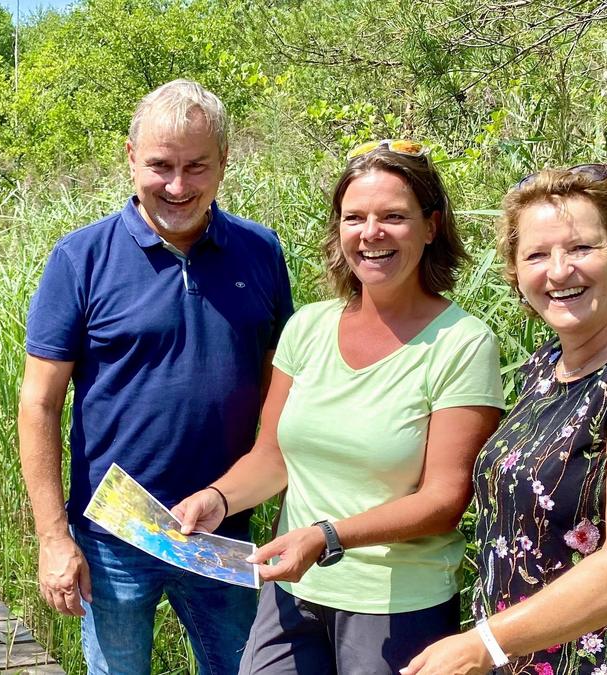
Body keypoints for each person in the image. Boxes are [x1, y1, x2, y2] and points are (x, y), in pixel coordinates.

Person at [172, 140, 506, 673]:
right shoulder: (308, 326)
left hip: (395, 606)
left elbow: (445, 498)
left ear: (431, 226)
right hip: (291, 589)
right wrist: (218, 499)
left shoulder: (462, 343)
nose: (371, 234)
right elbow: (272, 458)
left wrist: (327, 537)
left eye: (393, 217)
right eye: (355, 218)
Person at [402, 164, 607, 674]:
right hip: (527, 653)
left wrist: (482, 645)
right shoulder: (546, 366)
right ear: (515, 272)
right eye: (536, 254)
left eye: (580, 248)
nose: (557, 271)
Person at [18, 79, 294, 675]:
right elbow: (39, 404)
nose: (176, 185)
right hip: (115, 535)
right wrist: (52, 537)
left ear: (224, 162)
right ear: (130, 158)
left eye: (196, 166)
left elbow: (284, 388)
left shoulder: (261, 252)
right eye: (160, 165)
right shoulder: (80, 258)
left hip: (225, 531)